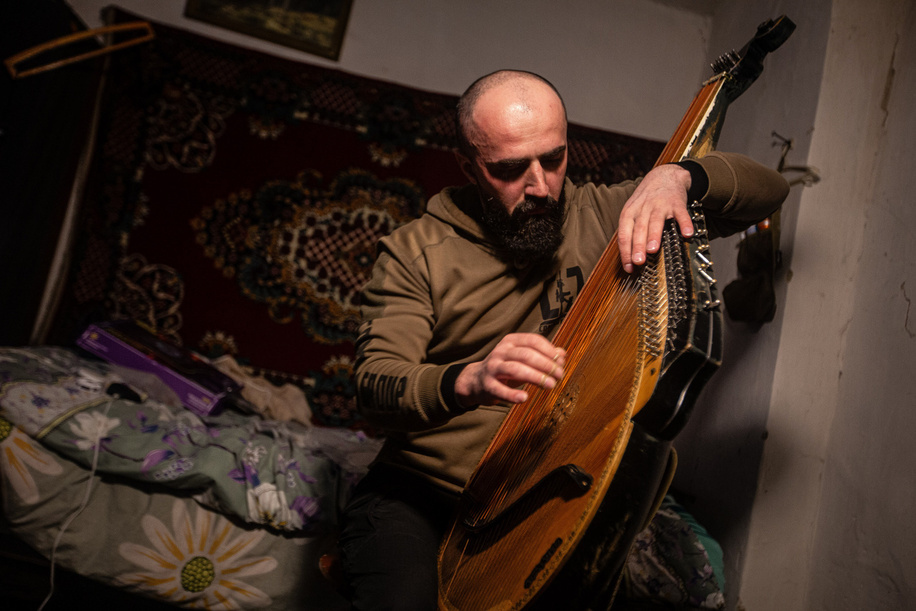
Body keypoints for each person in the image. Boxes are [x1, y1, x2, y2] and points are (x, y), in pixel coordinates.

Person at [338, 69, 789, 610]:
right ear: (468, 167)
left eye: (553, 159)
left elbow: (770, 191)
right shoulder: (415, 253)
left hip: (540, 500)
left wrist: (681, 178)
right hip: (420, 495)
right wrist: (469, 379)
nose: (540, 186)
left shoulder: (607, 215)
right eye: (509, 169)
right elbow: (374, 384)